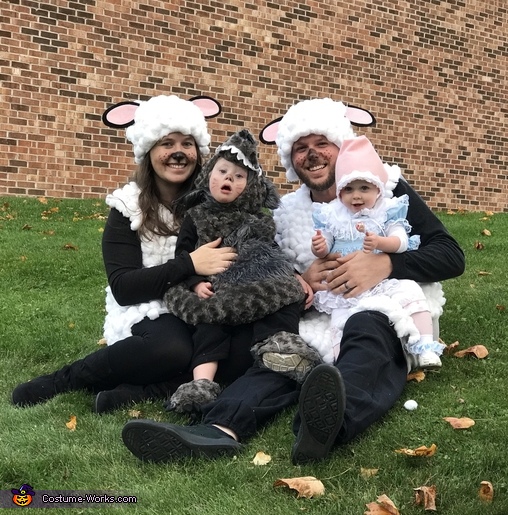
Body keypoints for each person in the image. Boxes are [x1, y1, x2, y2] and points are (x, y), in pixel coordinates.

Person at [120, 97, 465, 465]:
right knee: (282, 356)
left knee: (367, 335)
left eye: (321, 144)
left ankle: (326, 423)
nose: (311, 155)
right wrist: (302, 278)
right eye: (301, 148)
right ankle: (218, 429)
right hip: (316, 313)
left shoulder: (384, 190)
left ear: (341, 146)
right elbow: (269, 263)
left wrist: (385, 264)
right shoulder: (288, 211)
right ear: (290, 158)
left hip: (384, 305)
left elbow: (449, 255)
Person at [11, 94, 250, 414]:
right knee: (173, 348)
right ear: (148, 150)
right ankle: (66, 379)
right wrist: (190, 264)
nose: (178, 152)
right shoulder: (128, 207)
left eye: (186, 143)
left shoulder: (216, 204)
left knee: (244, 347)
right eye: (166, 143)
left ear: (199, 151)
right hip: (151, 307)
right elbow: (124, 288)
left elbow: (252, 245)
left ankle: (138, 393)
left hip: (209, 305)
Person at [163, 129, 321, 413]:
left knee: (285, 299)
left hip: (257, 283)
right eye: (223, 171)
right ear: (209, 175)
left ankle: (279, 347)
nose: (228, 179)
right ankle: (201, 383)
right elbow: (183, 256)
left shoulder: (258, 220)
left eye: (238, 177)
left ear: (248, 187)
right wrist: (196, 283)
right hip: (218, 286)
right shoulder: (196, 217)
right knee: (210, 326)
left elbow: (274, 253)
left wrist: (295, 276)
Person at [309, 135, 445, 369]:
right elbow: (327, 240)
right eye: (349, 189)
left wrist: (381, 244)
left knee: (411, 294)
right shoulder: (334, 215)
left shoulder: (386, 212)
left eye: (364, 188)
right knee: (340, 321)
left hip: (383, 281)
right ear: (340, 193)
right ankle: (339, 363)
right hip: (346, 287)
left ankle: (426, 347)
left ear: (378, 190)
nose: (357, 195)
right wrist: (319, 246)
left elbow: (401, 241)